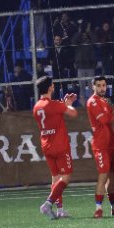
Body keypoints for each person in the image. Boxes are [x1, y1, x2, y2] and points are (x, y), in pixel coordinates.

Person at [33, 76, 78, 220]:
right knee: (66, 177)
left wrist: (63, 104)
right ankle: (48, 203)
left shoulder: (37, 106)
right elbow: (73, 113)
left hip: (46, 145)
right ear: (50, 87)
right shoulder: (53, 104)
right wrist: (68, 103)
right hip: (59, 145)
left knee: (55, 178)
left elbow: (53, 113)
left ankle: (60, 210)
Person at [85, 76, 114, 218]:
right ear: (93, 87)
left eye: (104, 85)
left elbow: (110, 117)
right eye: (99, 85)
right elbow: (105, 119)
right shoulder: (92, 102)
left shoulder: (104, 101)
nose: (102, 88)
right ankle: (98, 209)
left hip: (110, 143)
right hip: (100, 145)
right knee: (103, 175)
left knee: (112, 177)